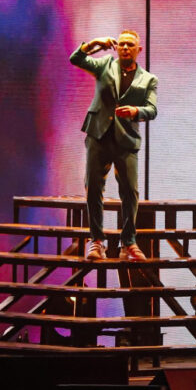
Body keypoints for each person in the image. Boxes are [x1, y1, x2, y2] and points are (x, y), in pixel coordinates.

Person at [69, 30, 158, 261]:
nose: (125, 48)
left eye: (130, 45)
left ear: (139, 49)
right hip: (98, 134)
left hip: (126, 139)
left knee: (130, 191)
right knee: (94, 188)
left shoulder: (148, 79)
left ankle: (128, 242)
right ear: (117, 48)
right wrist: (94, 44)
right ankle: (96, 241)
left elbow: (152, 109)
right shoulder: (105, 65)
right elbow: (76, 59)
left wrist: (136, 111)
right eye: (122, 44)